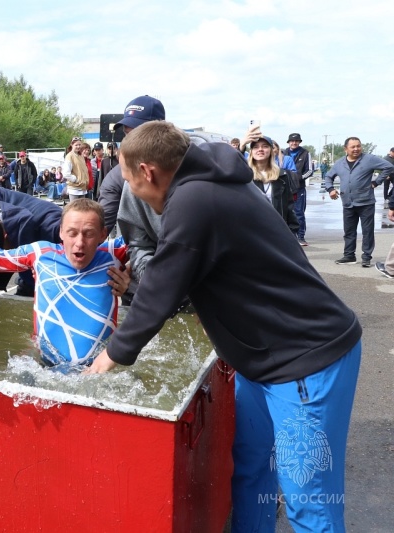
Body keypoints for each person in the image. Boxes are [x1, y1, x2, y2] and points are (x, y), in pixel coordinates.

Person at [87, 121, 363, 532]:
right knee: (251, 471)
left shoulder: (194, 199)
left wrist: (108, 358)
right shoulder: (207, 185)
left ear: (148, 172)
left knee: (309, 501)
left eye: (129, 181)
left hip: (305, 359)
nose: (133, 194)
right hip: (261, 361)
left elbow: (161, 288)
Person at [0, 194, 127, 367]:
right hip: (43, 366)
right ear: (60, 232)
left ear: (103, 234)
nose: (79, 243)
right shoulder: (41, 254)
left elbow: (150, 241)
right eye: (72, 233)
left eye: (89, 234)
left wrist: (132, 277)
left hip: (97, 371)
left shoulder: (113, 254)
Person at [98, 95, 166, 232]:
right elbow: (99, 229)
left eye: (137, 132)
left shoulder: (185, 163)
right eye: (127, 133)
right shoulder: (116, 178)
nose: (131, 140)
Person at [323, 137, 394, 267]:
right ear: (346, 149)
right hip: (348, 202)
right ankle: (349, 255)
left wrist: (377, 182)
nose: (356, 149)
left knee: (367, 231)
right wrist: (330, 189)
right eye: (353, 147)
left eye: (358, 146)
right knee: (349, 231)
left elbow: (389, 166)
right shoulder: (339, 163)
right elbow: (328, 176)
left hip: (366, 202)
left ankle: (366, 257)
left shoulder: (369, 159)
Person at [247, 136, 299, 235]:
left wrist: (292, 231)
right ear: (251, 151)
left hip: (277, 231)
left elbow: (289, 207)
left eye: (265, 146)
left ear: (271, 151)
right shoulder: (245, 176)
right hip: (252, 233)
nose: (260, 149)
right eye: (256, 147)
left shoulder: (282, 175)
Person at [282, 133, 313, 246]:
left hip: (299, 188)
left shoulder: (305, 153)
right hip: (284, 188)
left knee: (299, 212)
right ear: (288, 142)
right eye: (291, 141)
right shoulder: (283, 153)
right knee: (284, 212)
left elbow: (309, 171)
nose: (294, 143)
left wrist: (297, 178)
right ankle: (289, 236)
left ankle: (301, 237)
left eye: (296, 141)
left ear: (299, 142)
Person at [62, 136, 89, 202]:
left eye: (79, 145)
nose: (78, 147)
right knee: (75, 208)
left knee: (82, 209)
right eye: (76, 145)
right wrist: (76, 180)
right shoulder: (69, 156)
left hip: (82, 188)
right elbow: (66, 173)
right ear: (72, 145)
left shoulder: (80, 156)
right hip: (74, 189)